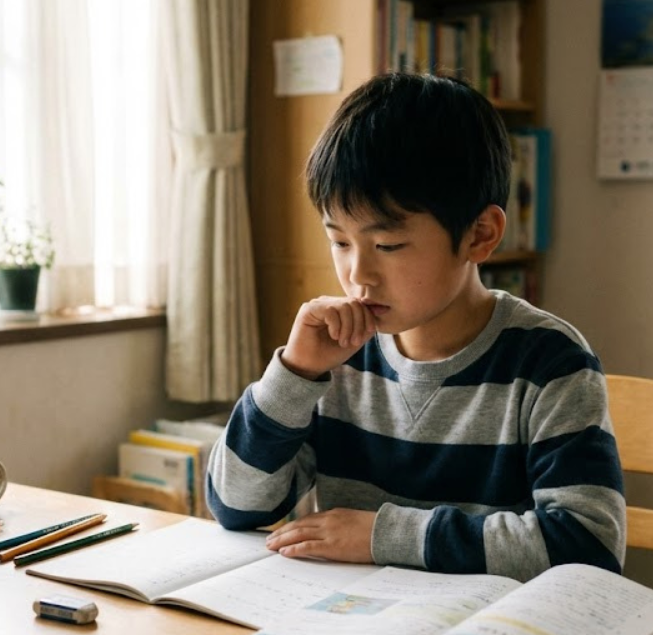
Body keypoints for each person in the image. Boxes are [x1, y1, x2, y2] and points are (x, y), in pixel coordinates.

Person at [207, 72, 624, 581]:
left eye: (387, 246)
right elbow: (236, 508)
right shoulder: (337, 354)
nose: (357, 274)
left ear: (481, 235)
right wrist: (292, 375)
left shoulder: (549, 363)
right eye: (339, 242)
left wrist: (384, 537)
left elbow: (588, 546)